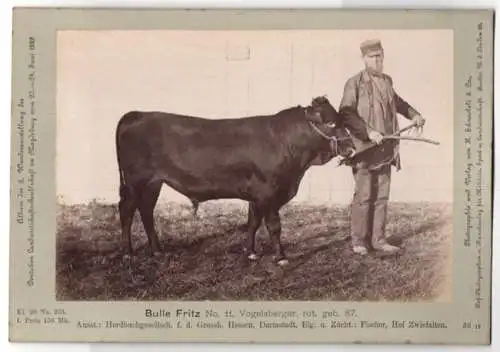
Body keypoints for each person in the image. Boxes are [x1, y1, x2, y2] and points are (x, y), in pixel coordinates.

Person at [339, 39, 425, 255]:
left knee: (382, 196)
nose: (377, 60)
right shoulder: (354, 83)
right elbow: (346, 113)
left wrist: (414, 115)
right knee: (364, 195)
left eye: (379, 56)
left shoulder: (387, 81)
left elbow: (398, 103)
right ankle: (359, 241)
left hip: (386, 148)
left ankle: (378, 240)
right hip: (364, 149)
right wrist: (368, 132)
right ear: (364, 58)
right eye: (372, 57)